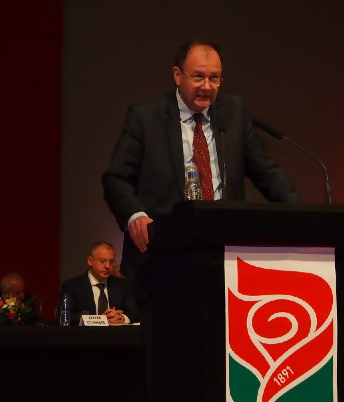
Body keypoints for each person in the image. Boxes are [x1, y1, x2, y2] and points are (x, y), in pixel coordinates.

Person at [102, 39, 300, 306]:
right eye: (198, 77)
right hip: (161, 262)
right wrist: (135, 215)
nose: (207, 86)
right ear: (177, 75)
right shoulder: (146, 117)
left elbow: (270, 175)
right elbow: (116, 179)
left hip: (224, 260)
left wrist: (303, 220)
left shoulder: (234, 113)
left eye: (214, 78)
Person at [61, 241, 140, 326]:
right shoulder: (73, 286)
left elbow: (135, 313)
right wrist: (99, 319)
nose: (107, 266)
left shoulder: (122, 285)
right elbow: (63, 316)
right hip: (86, 334)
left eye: (111, 262)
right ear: (90, 261)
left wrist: (122, 318)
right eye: (102, 261)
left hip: (116, 333)